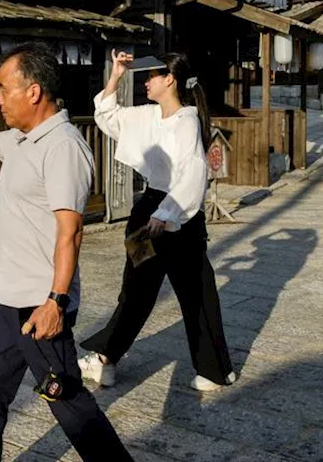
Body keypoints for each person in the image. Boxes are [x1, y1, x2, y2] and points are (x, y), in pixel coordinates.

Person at [0, 44, 132, 461]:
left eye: (2, 90)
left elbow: (70, 232)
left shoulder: (63, 147)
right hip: (6, 305)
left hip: (39, 307)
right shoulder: (21, 140)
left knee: (69, 404)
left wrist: (56, 300)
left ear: (33, 92)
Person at [77, 51, 236, 392]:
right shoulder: (149, 116)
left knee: (196, 291)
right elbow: (107, 116)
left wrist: (166, 215)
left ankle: (211, 370)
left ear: (170, 79)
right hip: (148, 210)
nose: (145, 81)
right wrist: (117, 75)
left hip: (178, 215)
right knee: (136, 290)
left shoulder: (186, 121)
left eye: (152, 75)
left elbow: (193, 172)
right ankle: (105, 360)